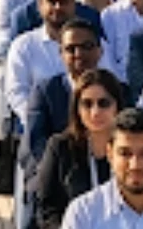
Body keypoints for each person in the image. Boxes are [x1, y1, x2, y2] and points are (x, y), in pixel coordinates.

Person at [32, 68, 121, 229]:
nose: (95, 112)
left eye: (104, 103)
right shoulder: (60, 147)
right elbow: (47, 208)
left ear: (118, 106)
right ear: (76, 109)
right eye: (87, 104)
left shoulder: (131, 150)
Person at [26, 20, 116, 175]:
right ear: (61, 54)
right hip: (58, 174)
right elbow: (37, 142)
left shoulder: (118, 90)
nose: (78, 54)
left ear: (99, 51)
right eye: (70, 49)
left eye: (86, 46)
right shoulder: (45, 92)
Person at [4, 0, 79, 130]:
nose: (58, 7)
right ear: (40, 5)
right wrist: (37, 121)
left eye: (64, 2)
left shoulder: (93, 44)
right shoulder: (22, 46)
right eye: (52, 2)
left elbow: (110, 80)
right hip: (37, 126)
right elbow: (16, 91)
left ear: (74, 5)